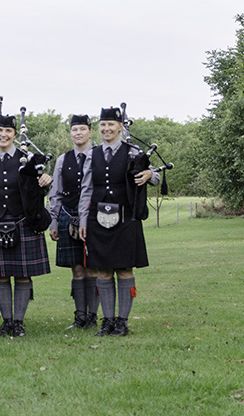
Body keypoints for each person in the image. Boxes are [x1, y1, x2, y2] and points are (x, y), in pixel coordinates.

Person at [0, 114, 53, 338]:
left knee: (23, 275)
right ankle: (6, 323)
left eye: (8, 131)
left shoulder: (29, 158)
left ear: (15, 135)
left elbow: (42, 189)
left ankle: (19, 322)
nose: (3, 135)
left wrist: (46, 180)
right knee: (0, 275)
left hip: (23, 222)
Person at [78, 107, 159, 337]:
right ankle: (108, 321)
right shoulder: (91, 154)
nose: (106, 129)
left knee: (124, 270)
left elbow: (156, 176)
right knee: (103, 271)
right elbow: (86, 190)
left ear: (121, 126)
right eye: (103, 125)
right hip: (97, 219)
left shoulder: (133, 152)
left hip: (126, 218)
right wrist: (83, 220)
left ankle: (122, 322)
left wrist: (149, 175)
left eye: (111, 125)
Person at [47, 114, 98, 330]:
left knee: (94, 268)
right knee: (77, 269)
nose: (78, 133)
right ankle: (79, 317)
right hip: (68, 215)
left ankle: (93, 317)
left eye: (82, 129)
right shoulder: (62, 159)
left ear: (90, 132)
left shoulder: (99, 156)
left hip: (94, 217)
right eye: (74, 129)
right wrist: (53, 221)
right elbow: (55, 193)